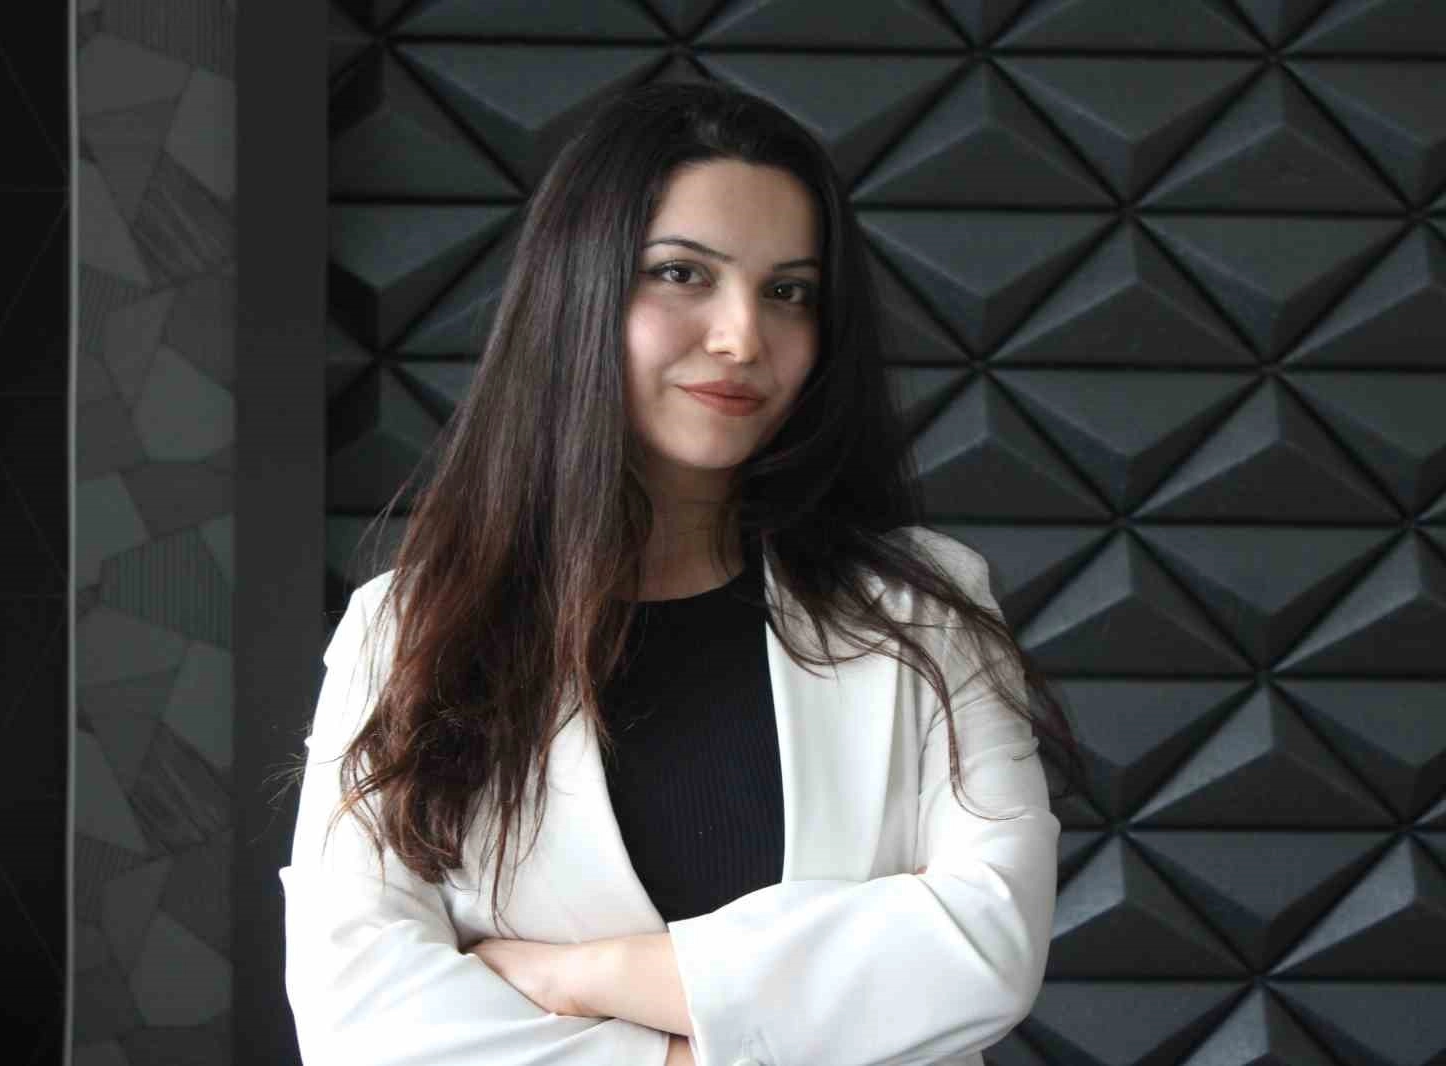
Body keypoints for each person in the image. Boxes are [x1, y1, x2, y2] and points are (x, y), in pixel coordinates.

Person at [280, 80, 1080, 1066]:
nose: (743, 337)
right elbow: (359, 1016)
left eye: (789, 291)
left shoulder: (926, 606)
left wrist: (581, 975)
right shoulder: (408, 627)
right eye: (681, 274)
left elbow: (988, 945)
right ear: (579, 290)